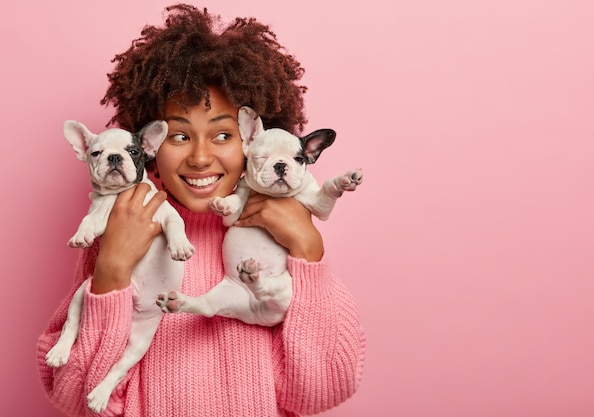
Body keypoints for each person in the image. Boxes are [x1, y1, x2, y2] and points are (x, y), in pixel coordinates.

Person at [36, 4, 365, 417]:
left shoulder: (282, 234)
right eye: (178, 136)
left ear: (253, 140)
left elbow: (325, 388)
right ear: (150, 145)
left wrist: (307, 247)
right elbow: (75, 398)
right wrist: (113, 267)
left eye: (223, 134)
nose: (200, 156)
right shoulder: (120, 225)